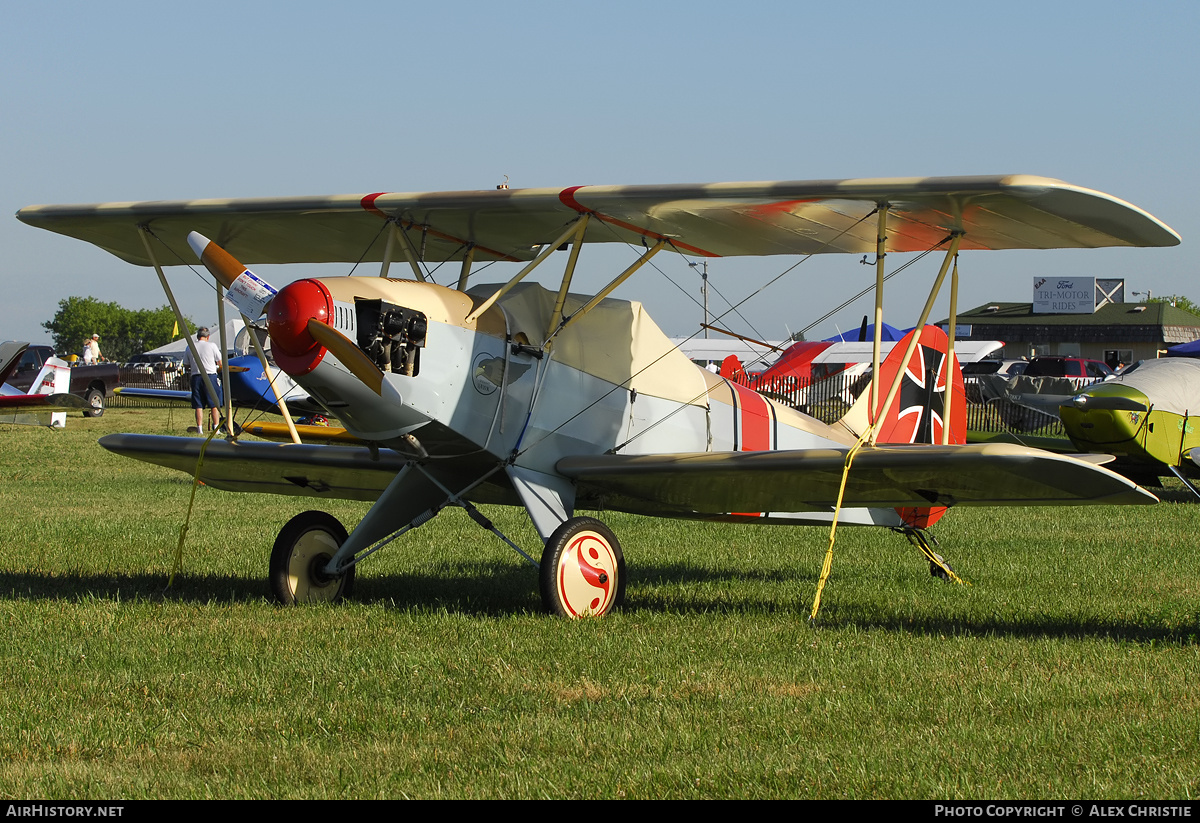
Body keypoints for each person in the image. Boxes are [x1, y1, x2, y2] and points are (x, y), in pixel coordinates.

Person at [181, 327, 223, 433]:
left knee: (198, 404)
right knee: (214, 404)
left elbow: (186, 364)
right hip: (210, 376)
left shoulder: (189, 347)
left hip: (196, 376)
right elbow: (220, 362)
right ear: (208, 336)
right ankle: (216, 428)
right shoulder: (212, 346)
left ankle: (199, 428)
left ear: (197, 336)